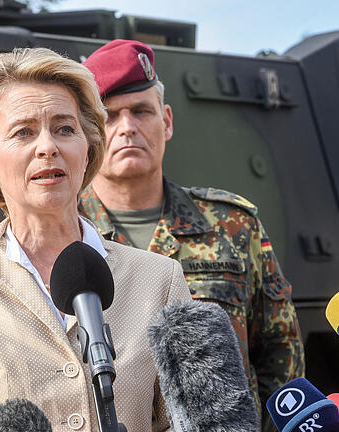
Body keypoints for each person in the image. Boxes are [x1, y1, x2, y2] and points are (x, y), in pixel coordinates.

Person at [0, 47, 191, 431]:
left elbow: (193, 422)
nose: (48, 146)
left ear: (87, 149)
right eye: (23, 132)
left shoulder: (159, 280)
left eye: (65, 129)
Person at [79, 39, 305, 429]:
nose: (128, 127)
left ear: (166, 121)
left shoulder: (234, 225)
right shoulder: (63, 234)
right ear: (89, 135)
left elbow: (280, 353)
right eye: (110, 116)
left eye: (141, 111)